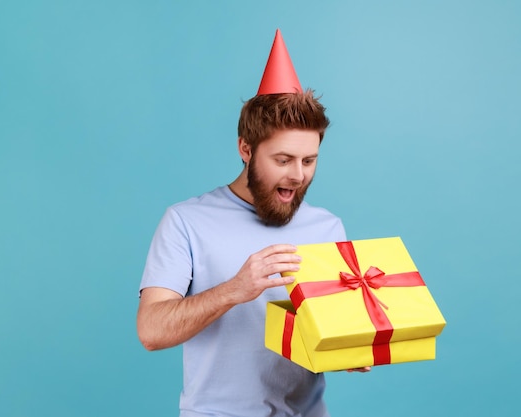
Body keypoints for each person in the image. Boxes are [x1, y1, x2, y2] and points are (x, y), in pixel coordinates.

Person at [137, 29, 368, 417]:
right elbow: (151, 331)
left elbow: (332, 337)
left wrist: (354, 348)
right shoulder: (185, 222)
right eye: (283, 160)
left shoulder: (328, 227)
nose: (297, 176)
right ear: (246, 149)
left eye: (308, 161)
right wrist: (235, 289)